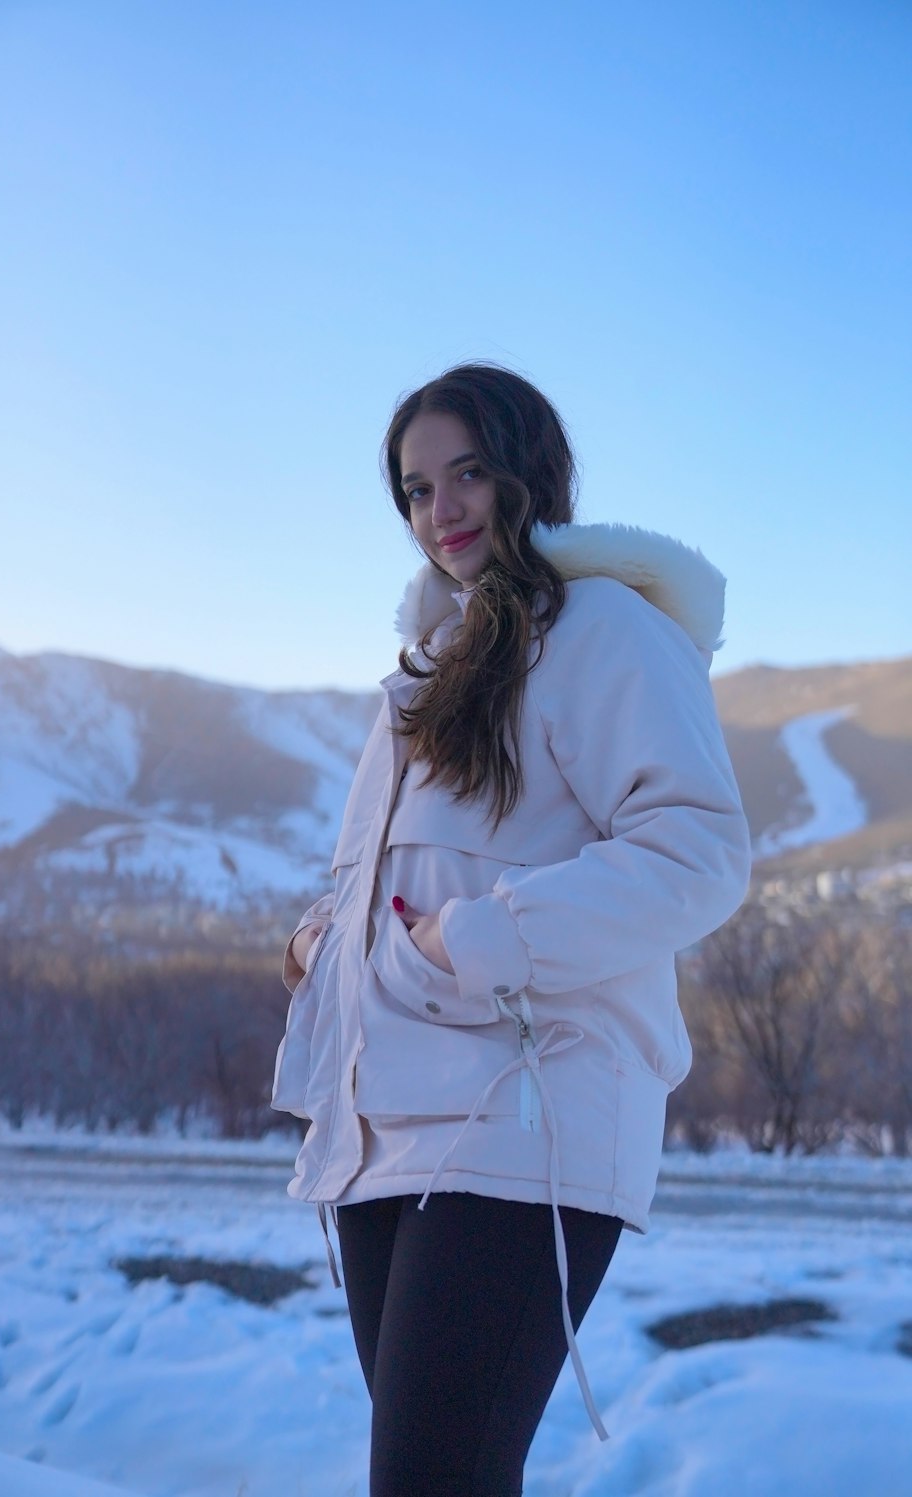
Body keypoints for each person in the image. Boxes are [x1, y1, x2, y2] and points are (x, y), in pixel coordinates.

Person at [271, 363, 751, 1496]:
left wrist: (479, 940)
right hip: (385, 1126)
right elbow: (392, 873)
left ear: (528, 471)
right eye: (415, 488)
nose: (441, 510)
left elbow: (698, 853)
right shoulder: (426, 674)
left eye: (468, 472)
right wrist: (315, 945)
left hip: (521, 1119)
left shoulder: (604, 632)